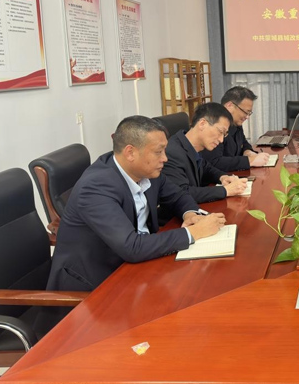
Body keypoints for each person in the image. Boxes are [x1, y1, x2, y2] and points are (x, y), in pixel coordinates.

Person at [47, 116, 226, 292]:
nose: (165, 158)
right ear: (130, 153)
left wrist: (190, 214)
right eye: (158, 152)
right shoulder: (96, 187)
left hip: (137, 266)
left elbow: (178, 196)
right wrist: (194, 232)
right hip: (95, 285)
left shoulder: (146, 170)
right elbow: (131, 247)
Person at [162, 102, 248, 210]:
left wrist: (223, 177)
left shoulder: (191, 145)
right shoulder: (172, 153)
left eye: (224, 135)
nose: (221, 140)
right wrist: (226, 190)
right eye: (220, 131)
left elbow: (206, 167)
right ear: (202, 124)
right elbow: (182, 193)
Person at [201, 86, 270, 172]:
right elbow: (215, 162)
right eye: (245, 112)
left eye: (249, 113)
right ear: (229, 106)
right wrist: (249, 161)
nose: (247, 117)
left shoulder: (236, 123)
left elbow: (243, 142)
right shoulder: (213, 125)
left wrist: (248, 152)